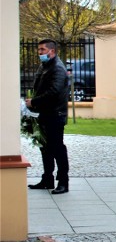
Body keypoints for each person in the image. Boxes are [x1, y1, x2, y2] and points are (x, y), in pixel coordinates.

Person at [26, 39, 71, 195]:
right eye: (39, 50)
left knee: (57, 147)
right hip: (44, 113)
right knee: (45, 147)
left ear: (52, 51)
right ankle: (47, 179)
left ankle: (63, 182)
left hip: (55, 114)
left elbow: (54, 92)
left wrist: (34, 101)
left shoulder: (57, 69)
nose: (40, 53)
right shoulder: (45, 67)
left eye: (43, 50)